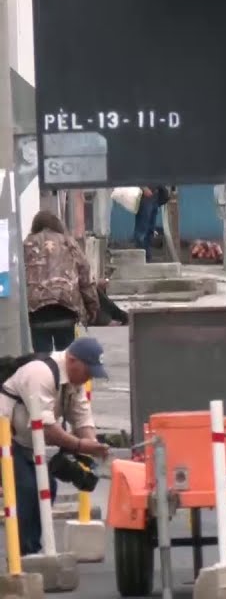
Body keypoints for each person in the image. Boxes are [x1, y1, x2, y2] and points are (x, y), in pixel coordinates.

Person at [0, 336, 111, 555]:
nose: (89, 377)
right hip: (6, 439)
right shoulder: (40, 373)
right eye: (88, 371)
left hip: (25, 442)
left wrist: (93, 448)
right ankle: (25, 554)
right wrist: (81, 446)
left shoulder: (73, 381)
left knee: (48, 487)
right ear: (72, 360)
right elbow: (47, 429)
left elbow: (82, 419)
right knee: (27, 488)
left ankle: (30, 549)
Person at [23, 211, 99, 352]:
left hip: (37, 311)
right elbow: (85, 277)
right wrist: (92, 307)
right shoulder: (69, 243)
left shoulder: (26, 245)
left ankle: (44, 371)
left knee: (42, 359)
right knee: (66, 358)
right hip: (65, 306)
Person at [133, 186, 170, 262]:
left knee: (150, 230)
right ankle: (139, 258)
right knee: (142, 230)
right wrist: (143, 188)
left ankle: (147, 258)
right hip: (145, 195)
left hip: (155, 194)